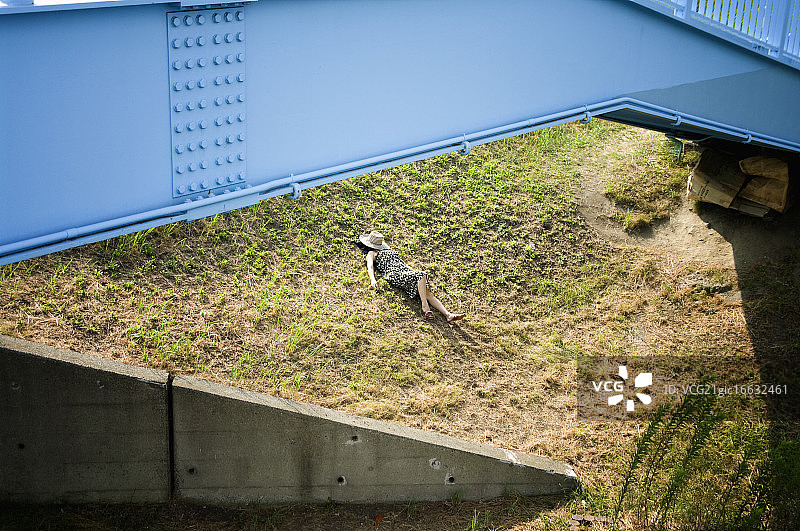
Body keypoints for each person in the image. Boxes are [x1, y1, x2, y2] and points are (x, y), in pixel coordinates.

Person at [357, 230, 464, 323]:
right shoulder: (372, 253)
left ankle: (448, 314)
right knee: (422, 274)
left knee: (428, 292)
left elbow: (402, 263)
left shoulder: (388, 251)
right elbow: (370, 266)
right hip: (394, 274)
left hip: (406, 271)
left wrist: (412, 271)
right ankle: (424, 306)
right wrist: (372, 279)